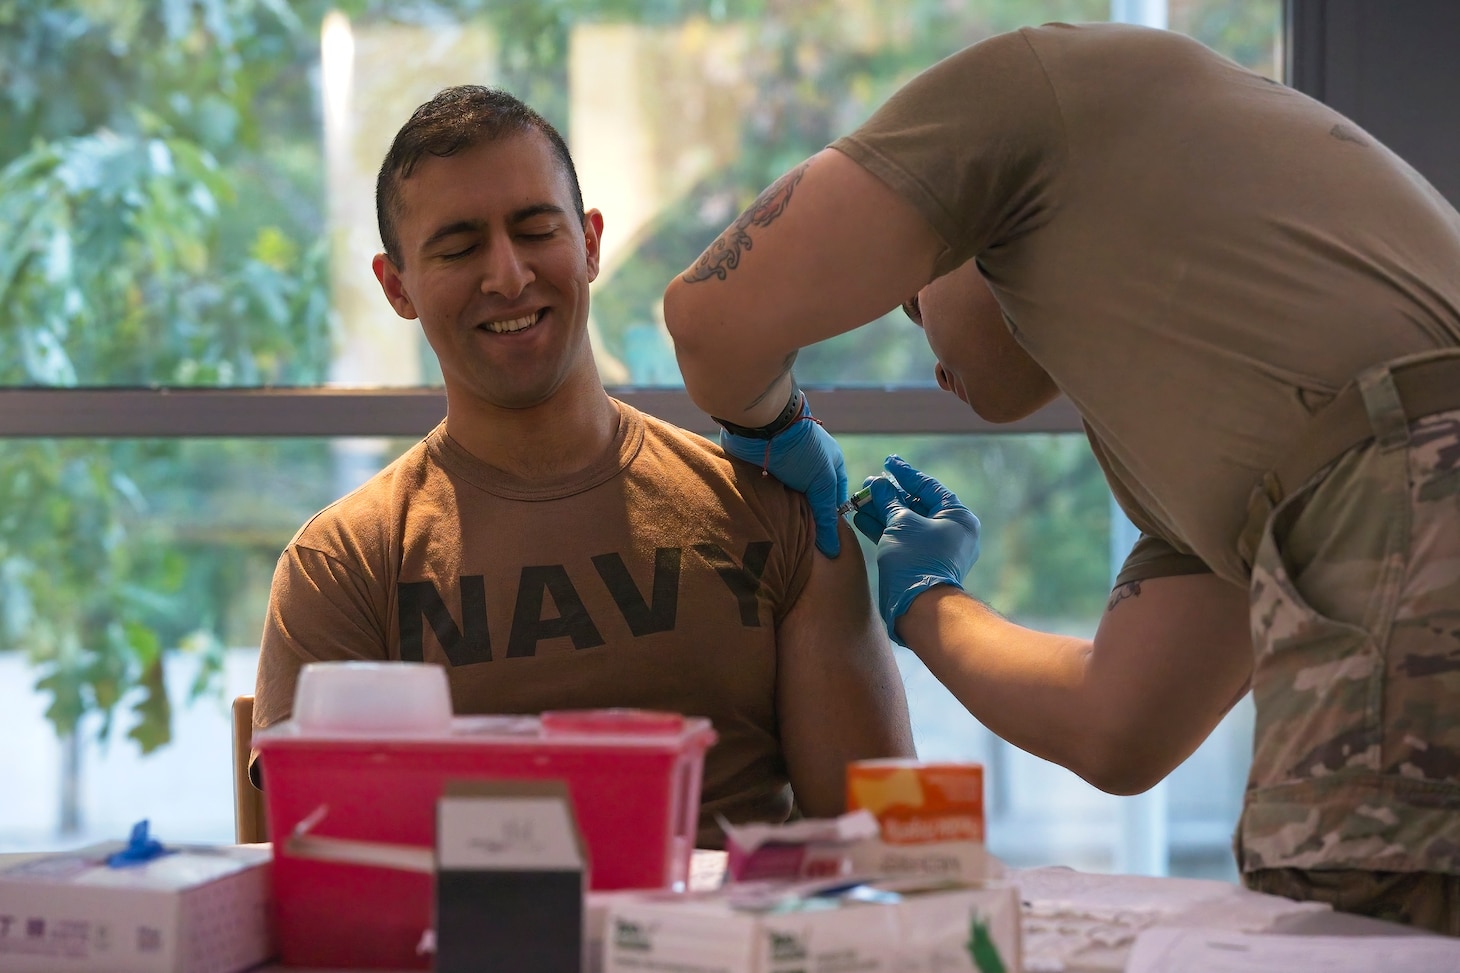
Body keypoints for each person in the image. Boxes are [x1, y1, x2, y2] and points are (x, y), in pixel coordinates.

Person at [661, 22, 1460, 929]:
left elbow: (706, 318)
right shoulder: (1211, 429)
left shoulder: (1033, 90)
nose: (930, 357)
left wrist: (778, 428)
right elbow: (1117, 728)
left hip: (1422, 493)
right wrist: (926, 599)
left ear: (963, 231)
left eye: (918, 304)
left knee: (1371, 940)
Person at [251, 85, 915, 848]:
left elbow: (881, 841)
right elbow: (335, 881)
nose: (507, 276)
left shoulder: (779, 513)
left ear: (592, 242)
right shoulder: (342, 565)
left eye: (536, 230)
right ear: (396, 285)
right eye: (460, 248)